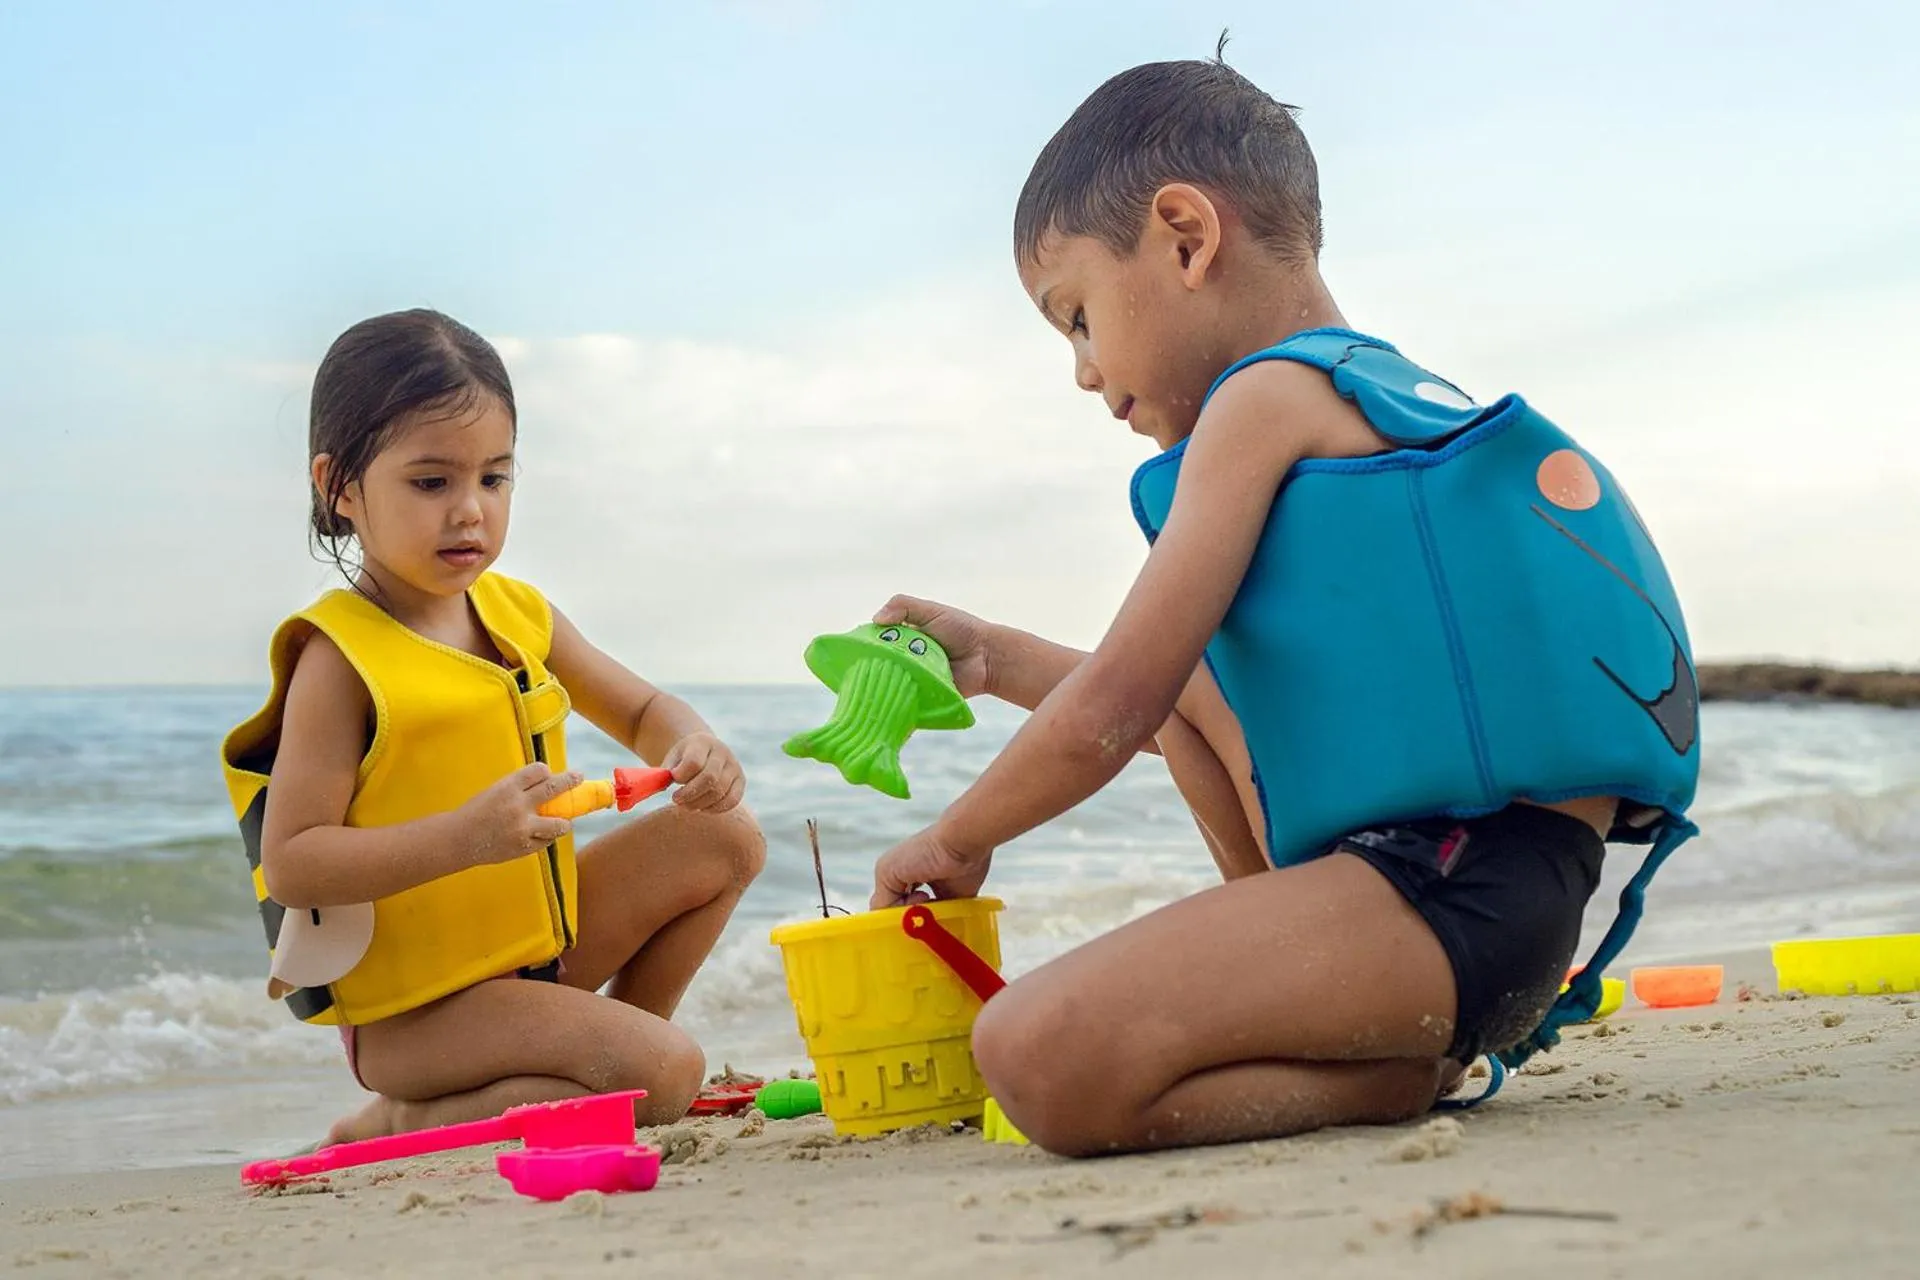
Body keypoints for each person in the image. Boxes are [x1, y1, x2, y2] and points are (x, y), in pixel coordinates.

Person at [868, 53, 1700, 1157]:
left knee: (1034, 1055)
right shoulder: (1362, 401)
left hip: (1446, 893)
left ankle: (1395, 1078)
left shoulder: (1263, 401)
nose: (1080, 368)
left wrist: (954, 836)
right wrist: (993, 655)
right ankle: (1391, 1046)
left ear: (1183, 236)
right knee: (1191, 679)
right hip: (1486, 902)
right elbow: (1185, 698)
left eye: (1077, 316)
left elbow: (1119, 701)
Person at [221, 308, 765, 1145]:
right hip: (418, 1016)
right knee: (664, 1075)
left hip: (538, 964)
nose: (469, 511)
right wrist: (465, 838)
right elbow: (295, 863)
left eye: (494, 479)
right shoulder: (340, 660)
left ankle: (619, 1049)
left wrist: (693, 747)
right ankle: (409, 1109)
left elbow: (645, 711)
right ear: (339, 488)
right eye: (432, 482)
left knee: (726, 836)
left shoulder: (518, 615)